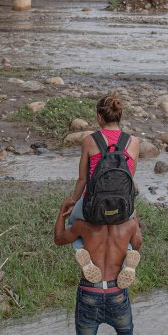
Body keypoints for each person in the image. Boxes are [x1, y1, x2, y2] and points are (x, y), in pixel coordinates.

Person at [54, 187, 143, 335]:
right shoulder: (128, 225)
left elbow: (58, 239)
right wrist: (133, 218)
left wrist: (62, 210)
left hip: (90, 292)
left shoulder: (82, 226)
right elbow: (137, 244)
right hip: (117, 290)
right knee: (125, 334)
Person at [60, 93, 141, 283]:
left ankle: (83, 255)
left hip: (92, 207)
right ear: (120, 116)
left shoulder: (90, 140)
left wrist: (73, 201)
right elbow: (130, 178)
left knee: (72, 224)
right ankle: (129, 254)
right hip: (123, 207)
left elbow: (82, 179)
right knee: (131, 229)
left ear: (99, 117)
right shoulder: (134, 143)